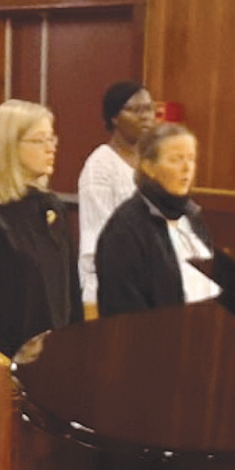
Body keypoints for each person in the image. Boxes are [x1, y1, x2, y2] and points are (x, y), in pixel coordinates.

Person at [0, 99, 83, 358]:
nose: (51, 148)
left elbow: (70, 291)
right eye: (40, 140)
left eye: (52, 139)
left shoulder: (52, 209)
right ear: (9, 147)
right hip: (13, 362)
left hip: (60, 357)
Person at [94, 124, 220, 317]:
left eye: (191, 159)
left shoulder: (192, 216)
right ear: (149, 167)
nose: (187, 168)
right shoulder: (125, 230)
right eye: (176, 160)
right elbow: (123, 310)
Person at [77, 81, 158, 307]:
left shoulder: (154, 161)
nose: (145, 116)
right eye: (135, 110)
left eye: (149, 108)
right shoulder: (100, 167)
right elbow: (99, 237)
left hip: (151, 280)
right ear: (114, 118)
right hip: (113, 285)